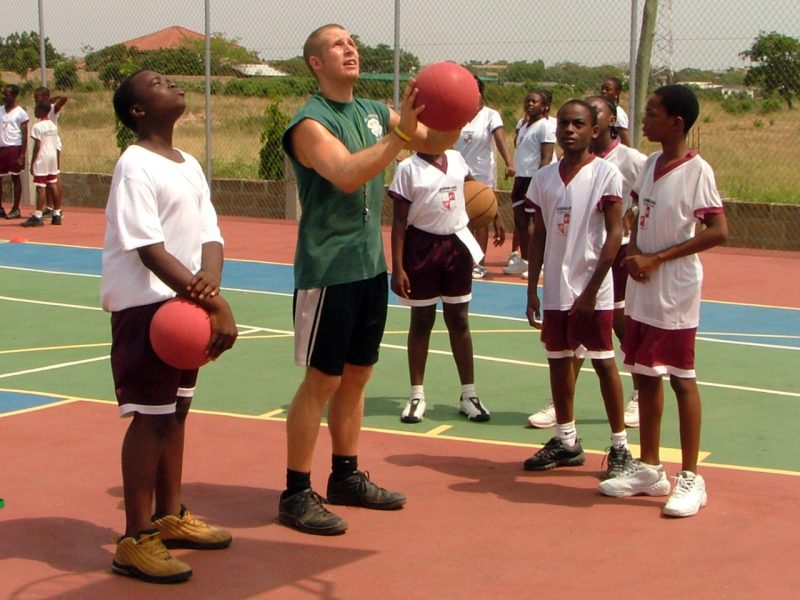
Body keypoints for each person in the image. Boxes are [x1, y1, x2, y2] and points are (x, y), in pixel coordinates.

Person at [278, 24, 460, 536]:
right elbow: (347, 173)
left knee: (357, 375)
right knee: (322, 380)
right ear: (316, 62)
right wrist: (399, 137)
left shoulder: (376, 112)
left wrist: (456, 104)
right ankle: (295, 493)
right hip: (327, 270)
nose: (350, 48)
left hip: (367, 268)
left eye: (352, 42)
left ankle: (345, 477)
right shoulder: (308, 124)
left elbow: (434, 140)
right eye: (337, 45)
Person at [101, 70, 238, 583]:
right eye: (158, 82)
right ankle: (133, 540)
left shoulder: (188, 162)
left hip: (184, 307)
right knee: (150, 416)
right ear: (138, 110)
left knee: (176, 412)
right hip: (147, 308)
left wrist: (210, 288)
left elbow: (209, 231)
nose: (173, 85)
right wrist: (214, 303)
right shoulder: (134, 164)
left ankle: (168, 516)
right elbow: (149, 247)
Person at [598, 85, 728, 518]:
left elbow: (717, 231)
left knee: (680, 377)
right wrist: (632, 251)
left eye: (652, 113)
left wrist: (658, 257)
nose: (645, 119)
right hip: (643, 285)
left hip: (675, 289)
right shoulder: (651, 162)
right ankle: (651, 468)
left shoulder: (697, 171)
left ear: (676, 122)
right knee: (645, 375)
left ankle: (691, 475)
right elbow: (637, 212)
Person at [523, 99, 632, 479]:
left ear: (594, 130)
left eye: (579, 124)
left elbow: (615, 234)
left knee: (603, 363)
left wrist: (591, 290)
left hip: (593, 290)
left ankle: (620, 447)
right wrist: (532, 286)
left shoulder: (605, 175)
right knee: (558, 362)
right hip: (555, 288)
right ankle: (566, 439)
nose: (569, 129)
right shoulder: (544, 179)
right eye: (565, 124)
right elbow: (537, 236)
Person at [390, 147, 499, 424]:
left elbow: (475, 190)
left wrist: (493, 211)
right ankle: (416, 395)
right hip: (421, 246)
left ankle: (469, 394)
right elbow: (399, 222)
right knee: (421, 320)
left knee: (459, 319)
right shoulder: (408, 168)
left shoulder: (457, 158)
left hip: (457, 245)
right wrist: (398, 267)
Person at [454, 76, 514, 278]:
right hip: (459, 173)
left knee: (481, 218)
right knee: (458, 219)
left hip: (481, 175)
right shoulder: (459, 113)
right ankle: (462, 258)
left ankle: (479, 262)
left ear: (480, 92)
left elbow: (499, 139)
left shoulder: (490, 115)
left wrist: (509, 162)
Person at [506, 91, 555, 278]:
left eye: (534, 101)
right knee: (520, 222)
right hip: (520, 177)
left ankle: (539, 262)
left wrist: (538, 182)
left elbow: (547, 157)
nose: (529, 104)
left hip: (534, 179)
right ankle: (526, 260)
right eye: (527, 101)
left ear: (543, 106)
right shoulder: (524, 125)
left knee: (535, 223)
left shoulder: (545, 126)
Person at [22, 101, 62, 227]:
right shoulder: (52, 125)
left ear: (41, 111)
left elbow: (37, 145)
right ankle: (56, 214)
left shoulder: (37, 126)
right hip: (52, 156)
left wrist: (33, 162)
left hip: (43, 157)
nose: (34, 112)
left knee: (41, 186)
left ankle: (38, 216)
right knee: (53, 183)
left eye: (36, 109)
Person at [33, 86, 68, 219]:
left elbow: (65, 98)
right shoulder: (40, 111)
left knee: (53, 177)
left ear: (46, 98)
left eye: (38, 98)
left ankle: (57, 208)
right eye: (35, 98)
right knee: (48, 178)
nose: (36, 100)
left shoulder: (51, 108)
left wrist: (55, 98)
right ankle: (49, 207)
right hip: (46, 145)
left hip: (53, 145)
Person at [0, 85, 28, 220]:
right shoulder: (0, 110)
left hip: (14, 147)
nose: (4, 97)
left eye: (7, 94)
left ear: (14, 96)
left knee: (15, 177)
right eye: (3, 94)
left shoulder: (20, 112)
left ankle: (16, 208)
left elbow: (24, 134)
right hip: (1, 148)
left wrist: (22, 154)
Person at [600, 77, 632, 146]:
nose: (603, 91)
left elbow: (625, 140)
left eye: (608, 89)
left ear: (617, 93)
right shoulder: (605, 111)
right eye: (602, 89)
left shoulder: (618, 114)